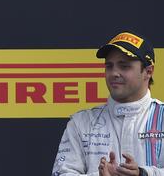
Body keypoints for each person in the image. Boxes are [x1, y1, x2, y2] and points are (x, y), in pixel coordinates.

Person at [52, 31, 163, 176]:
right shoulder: (81, 123)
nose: (114, 73)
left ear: (148, 71)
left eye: (124, 66)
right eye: (109, 66)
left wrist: (143, 173)